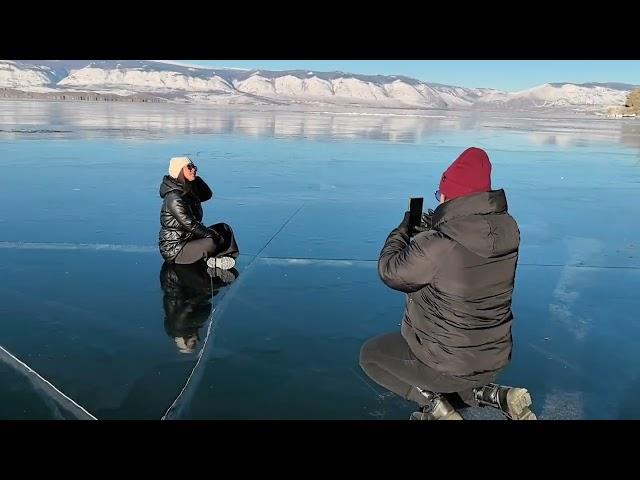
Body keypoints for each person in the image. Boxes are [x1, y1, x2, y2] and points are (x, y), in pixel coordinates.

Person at [360, 147, 536, 420]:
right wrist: (436, 228)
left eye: (440, 194)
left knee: (372, 356)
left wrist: (404, 230)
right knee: (457, 368)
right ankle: (493, 394)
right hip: (495, 356)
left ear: (450, 196)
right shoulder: (508, 230)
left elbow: (390, 271)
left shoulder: (439, 244)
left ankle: (437, 409)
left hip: (446, 363)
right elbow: (465, 245)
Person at [159, 156, 239, 268]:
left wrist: (196, 179)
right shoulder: (174, 197)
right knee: (211, 241)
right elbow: (189, 224)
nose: (194, 169)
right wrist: (210, 234)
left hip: (190, 238)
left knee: (224, 228)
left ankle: (222, 257)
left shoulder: (187, 189)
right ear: (179, 171)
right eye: (189, 167)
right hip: (176, 248)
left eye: (194, 167)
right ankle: (213, 260)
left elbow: (207, 195)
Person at [160, 260, 239, 354]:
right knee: (215, 281)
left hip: (176, 278)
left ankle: (211, 262)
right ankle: (209, 261)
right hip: (175, 279)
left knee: (225, 279)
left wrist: (207, 292)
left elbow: (190, 304)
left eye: (192, 343)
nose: (196, 340)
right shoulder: (179, 326)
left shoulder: (179, 325)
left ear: (184, 341)